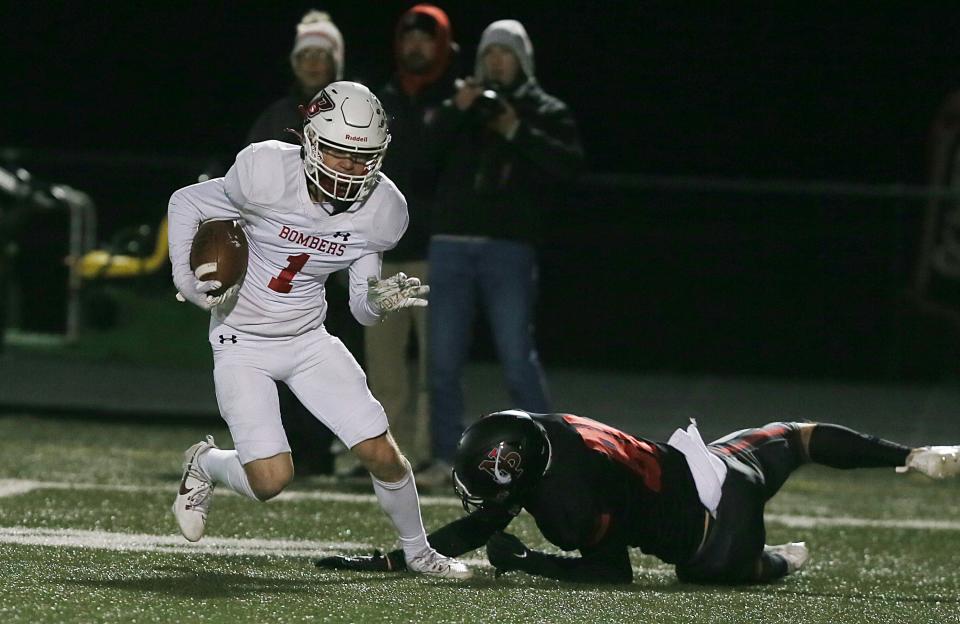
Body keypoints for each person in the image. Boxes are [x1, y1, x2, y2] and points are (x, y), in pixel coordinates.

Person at [168, 81, 469, 579]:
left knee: (382, 453)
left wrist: (375, 303)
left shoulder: (383, 211)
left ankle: (418, 552)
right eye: (339, 153)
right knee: (270, 479)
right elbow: (186, 202)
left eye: (364, 157)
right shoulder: (264, 172)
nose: (352, 168)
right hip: (242, 341)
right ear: (309, 140)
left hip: (308, 339)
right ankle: (205, 462)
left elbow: (361, 309)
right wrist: (194, 285)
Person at [317, 409, 960, 584]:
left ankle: (777, 562)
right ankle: (914, 456)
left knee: (715, 570)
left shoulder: (566, 506)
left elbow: (612, 570)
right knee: (798, 435)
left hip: (713, 540)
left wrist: (524, 561)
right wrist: (403, 556)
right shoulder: (547, 430)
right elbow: (493, 511)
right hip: (713, 468)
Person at [418, 20, 584, 484]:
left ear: (522, 60)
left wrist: (516, 128)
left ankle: (549, 453)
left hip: (509, 248)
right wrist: (456, 108)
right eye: (489, 52)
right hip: (450, 244)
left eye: (505, 53)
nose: (495, 61)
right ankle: (448, 457)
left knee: (516, 357)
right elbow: (419, 158)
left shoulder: (546, 110)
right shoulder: (461, 105)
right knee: (443, 360)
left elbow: (568, 168)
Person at [245, 9, 347, 476]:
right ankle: (278, 447)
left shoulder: (352, 113)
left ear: (335, 63)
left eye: (320, 55)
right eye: (304, 55)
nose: (311, 63)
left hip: (329, 258)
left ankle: (319, 449)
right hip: (278, 257)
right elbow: (245, 179)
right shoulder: (276, 115)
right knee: (272, 355)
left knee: (323, 357)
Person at [364, 4, 459, 467]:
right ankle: (390, 453)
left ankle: (429, 452)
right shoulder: (381, 98)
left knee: (435, 369)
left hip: (435, 254)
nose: (415, 46)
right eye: (408, 37)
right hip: (384, 253)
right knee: (384, 369)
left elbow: (427, 164)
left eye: (426, 37)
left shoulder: (458, 100)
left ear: (442, 43)